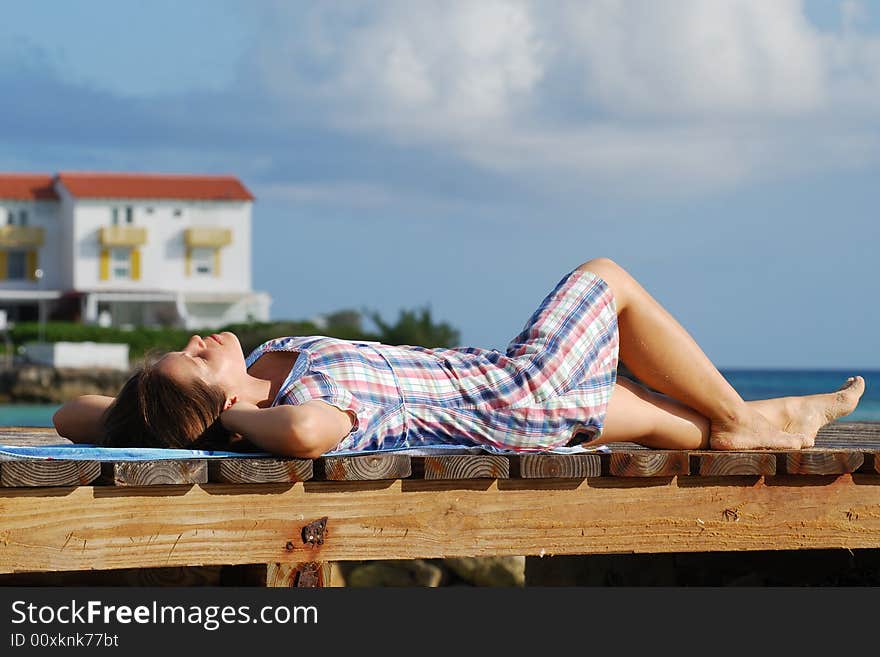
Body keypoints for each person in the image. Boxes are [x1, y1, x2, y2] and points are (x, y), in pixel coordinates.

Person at [53, 258, 865, 458]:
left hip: (494, 392)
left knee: (654, 416)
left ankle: (744, 425)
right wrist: (240, 419)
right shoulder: (300, 405)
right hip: (518, 391)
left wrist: (139, 408)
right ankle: (747, 417)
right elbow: (304, 438)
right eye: (198, 361)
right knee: (606, 279)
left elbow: (69, 414)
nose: (201, 342)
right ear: (225, 404)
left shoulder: (271, 358)